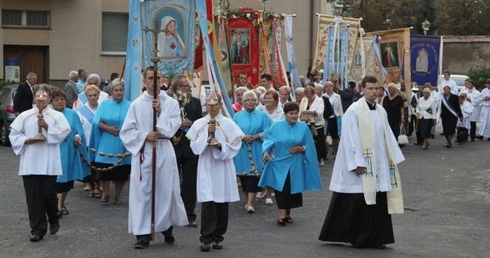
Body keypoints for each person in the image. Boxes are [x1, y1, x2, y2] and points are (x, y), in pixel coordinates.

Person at [319, 75, 405, 249]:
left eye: (377, 88)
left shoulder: (381, 110)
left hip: (379, 163)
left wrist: (392, 158)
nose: (375, 92)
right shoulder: (354, 110)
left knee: (378, 199)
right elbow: (350, 138)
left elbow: (387, 136)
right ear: (362, 89)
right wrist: (357, 162)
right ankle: (359, 237)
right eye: (371, 88)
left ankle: (376, 237)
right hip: (362, 164)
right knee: (359, 202)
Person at [120, 67, 188, 249]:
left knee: (165, 190)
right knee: (143, 192)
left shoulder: (171, 104)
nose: (154, 82)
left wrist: (160, 112)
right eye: (150, 78)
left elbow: (172, 129)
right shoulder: (136, 104)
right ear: (144, 81)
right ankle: (142, 234)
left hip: (164, 150)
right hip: (144, 153)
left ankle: (166, 227)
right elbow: (126, 132)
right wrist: (144, 136)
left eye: (157, 78)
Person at [9, 84, 71, 242]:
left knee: (48, 195)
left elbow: (63, 133)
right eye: (38, 97)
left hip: (48, 161)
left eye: (44, 97)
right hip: (30, 161)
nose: (41, 100)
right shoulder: (25, 115)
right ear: (34, 98)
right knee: (33, 197)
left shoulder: (56, 116)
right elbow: (14, 135)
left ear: (49, 98)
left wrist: (47, 127)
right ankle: (37, 229)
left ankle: (54, 217)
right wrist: (26, 140)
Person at [186, 91, 243, 252]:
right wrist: (206, 135)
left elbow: (235, 146)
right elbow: (194, 147)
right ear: (206, 105)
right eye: (209, 104)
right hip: (207, 165)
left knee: (221, 201)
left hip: (222, 166)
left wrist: (219, 146)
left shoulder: (228, 123)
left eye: (215, 104)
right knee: (208, 201)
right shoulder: (199, 124)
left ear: (220, 104)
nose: (212, 107)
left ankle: (218, 236)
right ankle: (206, 237)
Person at [259, 101, 322, 226]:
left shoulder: (303, 127)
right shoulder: (276, 126)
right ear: (285, 114)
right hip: (279, 163)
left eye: (295, 113)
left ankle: (287, 214)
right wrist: (266, 152)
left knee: (293, 188)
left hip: (296, 163)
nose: (293, 116)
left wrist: (301, 149)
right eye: (290, 113)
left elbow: (309, 145)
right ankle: (281, 215)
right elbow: (268, 141)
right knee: (282, 188)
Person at [90, 78, 131, 204]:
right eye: (116, 90)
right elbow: (96, 121)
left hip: (124, 142)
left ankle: (117, 194)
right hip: (107, 140)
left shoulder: (130, 105)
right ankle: (106, 193)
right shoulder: (104, 104)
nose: (119, 92)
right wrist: (108, 128)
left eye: (121, 90)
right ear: (111, 92)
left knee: (122, 171)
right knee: (104, 169)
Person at [50, 89, 90, 216]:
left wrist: (77, 137)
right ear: (51, 101)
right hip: (54, 150)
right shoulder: (48, 115)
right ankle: (57, 206)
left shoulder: (72, 114)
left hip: (68, 151)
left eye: (62, 99)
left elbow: (79, 131)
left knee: (66, 181)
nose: (59, 102)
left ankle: (60, 205)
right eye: (56, 100)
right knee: (54, 181)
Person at [170, 75, 203, 228]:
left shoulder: (195, 103)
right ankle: (172, 213)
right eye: (185, 86)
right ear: (177, 88)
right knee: (172, 181)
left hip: (190, 148)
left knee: (190, 183)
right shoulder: (169, 103)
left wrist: (192, 123)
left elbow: (200, 123)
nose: (189, 88)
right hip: (174, 147)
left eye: (188, 85)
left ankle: (189, 214)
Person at [233, 90, 271, 213]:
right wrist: (242, 136)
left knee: (254, 176)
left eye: (253, 100)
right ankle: (248, 200)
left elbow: (270, 130)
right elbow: (232, 130)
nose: (250, 102)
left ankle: (250, 203)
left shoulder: (263, 115)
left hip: (257, 147)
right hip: (242, 149)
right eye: (247, 100)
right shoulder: (237, 116)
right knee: (244, 176)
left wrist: (257, 136)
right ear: (243, 102)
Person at [77, 85, 102, 196]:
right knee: (88, 164)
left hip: (99, 141)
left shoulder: (102, 108)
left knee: (99, 164)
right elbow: (78, 126)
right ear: (86, 96)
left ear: (98, 96)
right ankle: (91, 184)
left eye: (95, 95)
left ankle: (98, 185)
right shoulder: (81, 111)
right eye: (90, 96)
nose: (92, 98)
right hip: (86, 141)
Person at [300, 85, 325, 165]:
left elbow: (320, 112)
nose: (308, 97)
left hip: (317, 124)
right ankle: (308, 157)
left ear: (313, 93)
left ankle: (319, 158)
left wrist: (309, 112)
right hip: (306, 123)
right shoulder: (304, 100)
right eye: (306, 95)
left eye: (309, 95)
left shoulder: (320, 100)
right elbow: (301, 110)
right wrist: (303, 116)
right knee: (308, 142)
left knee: (318, 142)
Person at [323, 81, 343, 159]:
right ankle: (325, 153)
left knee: (335, 137)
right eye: (326, 86)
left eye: (330, 86)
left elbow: (340, 108)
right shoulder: (323, 96)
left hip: (334, 118)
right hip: (325, 118)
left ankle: (336, 153)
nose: (328, 88)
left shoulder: (337, 96)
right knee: (324, 136)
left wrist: (342, 118)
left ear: (332, 87)